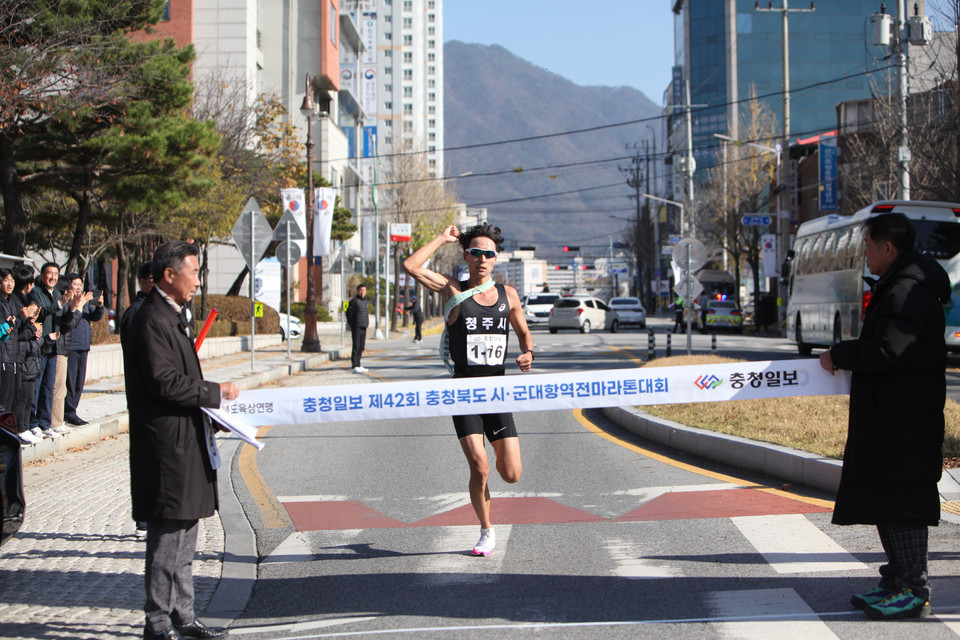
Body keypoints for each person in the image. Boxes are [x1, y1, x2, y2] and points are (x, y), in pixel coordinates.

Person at [819, 213, 949, 621]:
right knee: (888, 501)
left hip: (904, 420)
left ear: (888, 248)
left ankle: (913, 589)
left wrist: (839, 354)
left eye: (868, 246)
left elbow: (887, 350)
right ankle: (896, 579)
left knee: (902, 503)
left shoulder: (907, 290)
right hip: (893, 416)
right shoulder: (899, 285)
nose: (865, 255)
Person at [124, 241, 237, 640]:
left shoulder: (173, 314)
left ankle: (183, 615)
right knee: (168, 537)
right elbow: (164, 382)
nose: (198, 281)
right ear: (169, 275)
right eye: (193, 272)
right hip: (166, 446)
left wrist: (215, 413)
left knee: (187, 532)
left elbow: (182, 378)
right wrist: (214, 393)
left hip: (186, 439)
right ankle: (157, 622)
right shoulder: (149, 318)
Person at [403, 222, 534, 557]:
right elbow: (411, 266)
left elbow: (523, 332)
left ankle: (495, 479)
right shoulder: (453, 289)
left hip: (497, 393)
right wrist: (441, 239)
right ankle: (486, 530)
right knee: (480, 467)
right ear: (466, 256)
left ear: (496, 258)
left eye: (488, 254)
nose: (482, 259)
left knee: (511, 474)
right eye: (475, 252)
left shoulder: (508, 295)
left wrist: (528, 352)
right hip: (463, 393)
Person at [28, 262, 74, 438]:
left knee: (49, 386)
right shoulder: (36, 292)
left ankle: (44, 423)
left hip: (54, 347)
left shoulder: (57, 293)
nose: (53, 277)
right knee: (36, 387)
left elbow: (64, 320)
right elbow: (40, 313)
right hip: (40, 345)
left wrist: (72, 307)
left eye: (55, 274)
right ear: (42, 276)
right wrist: (60, 303)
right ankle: (32, 423)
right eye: (49, 273)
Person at [61, 274, 103, 427]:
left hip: (84, 346)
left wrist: (99, 306)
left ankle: (73, 410)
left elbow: (94, 317)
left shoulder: (84, 303)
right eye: (75, 284)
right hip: (72, 346)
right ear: (69, 286)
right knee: (71, 382)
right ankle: (68, 413)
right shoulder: (69, 302)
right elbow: (70, 320)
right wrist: (81, 303)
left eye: (80, 284)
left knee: (79, 382)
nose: (78, 287)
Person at [13, 266, 43, 444]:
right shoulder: (17, 303)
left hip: (28, 355)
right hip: (20, 356)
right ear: (29, 284)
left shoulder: (25, 301)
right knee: (22, 397)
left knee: (28, 396)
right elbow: (17, 332)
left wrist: (33, 326)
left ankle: (24, 428)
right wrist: (32, 328)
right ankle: (20, 429)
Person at [345, 284, 369, 373]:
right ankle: (354, 364)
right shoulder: (354, 301)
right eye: (361, 290)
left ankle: (358, 364)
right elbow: (349, 314)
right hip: (357, 327)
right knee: (356, 346)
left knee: (361, 347)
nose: (362, 292)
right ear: (358, 291)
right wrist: (352, 324)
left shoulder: (365, 302)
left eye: (364, 290)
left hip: (363, 326)